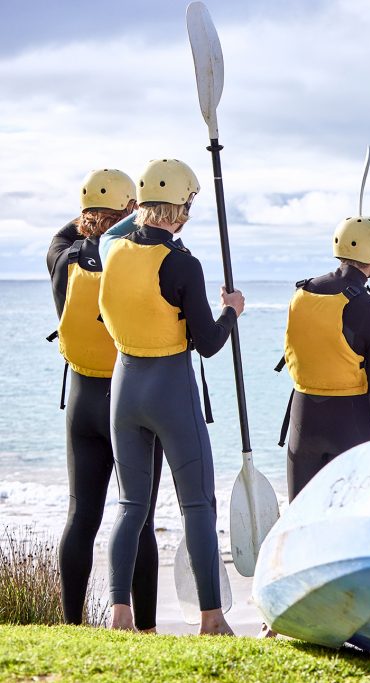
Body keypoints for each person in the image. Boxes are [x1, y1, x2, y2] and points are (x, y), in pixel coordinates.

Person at [98, 158, 244, 635]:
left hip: (124, 389)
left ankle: (120, 615)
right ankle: (212, 618)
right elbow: (208, 343)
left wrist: (140, 211)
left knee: (130, 505)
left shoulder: (111, 248)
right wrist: (231, 312)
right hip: (171, 392)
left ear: (141, 204)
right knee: (197, 504)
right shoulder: (182, 263)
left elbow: (123, 227)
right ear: (180, 208)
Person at [45, 169, 163, 630]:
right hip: (130, 400)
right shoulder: (133, 259)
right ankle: (147, 626)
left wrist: (91, 219)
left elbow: (63, 231)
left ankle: (72, 625)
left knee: (81, 515)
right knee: (139, 516)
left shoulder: (61, 257)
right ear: (130, 211)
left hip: (81, 399)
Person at [278, 213, 370, 500]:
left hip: (302, 421)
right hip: (350, 425)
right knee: (351, 524)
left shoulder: (301, 294)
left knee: (301, 520)